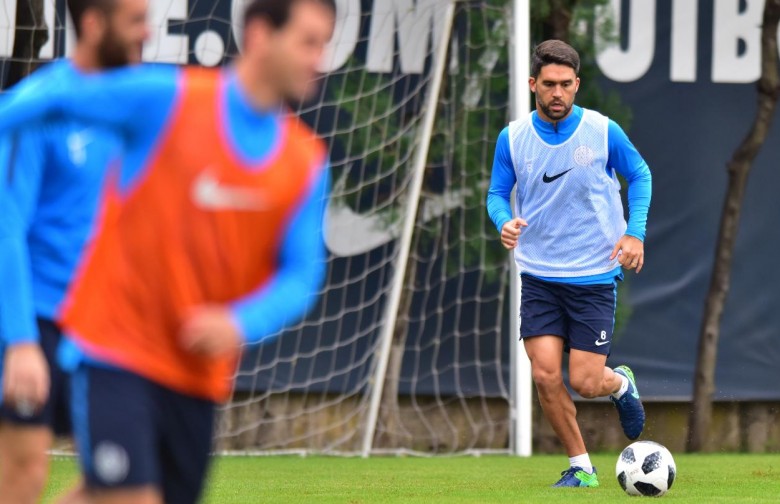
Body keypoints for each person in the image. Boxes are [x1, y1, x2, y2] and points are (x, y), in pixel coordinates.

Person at [0, 0, 334, 502]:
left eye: (325, 44)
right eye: (309, 42)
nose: (319, 59)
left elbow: (302, 276)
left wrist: (238, 322)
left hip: (196, 373)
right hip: (111, 346)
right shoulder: (171, 99)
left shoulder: (306, 161)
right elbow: (55, 102)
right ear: (261, 35)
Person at [0, 1, 148, 502]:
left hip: (106, 326)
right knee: (23, 475)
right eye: (135, 22)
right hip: (38, 323)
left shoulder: (142, 107)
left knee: (126, 486)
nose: (146, 34)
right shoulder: (40, 105)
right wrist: (20, 340)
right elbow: (7, 226)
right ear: (93, 24)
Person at [487, 40, 652, 488]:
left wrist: (633, 232)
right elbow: (497, 193)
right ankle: (581, 467)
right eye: (548, 85)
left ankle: (618, 384)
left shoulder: (601, 131)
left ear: (576, 85)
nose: (557, 93)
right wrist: (503, 221)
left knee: (584, 380)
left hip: (594, 275)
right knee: (543, 374)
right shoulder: (513, 137)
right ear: (532, 85)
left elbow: (639, 174)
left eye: (565, 85)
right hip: (539, 274)